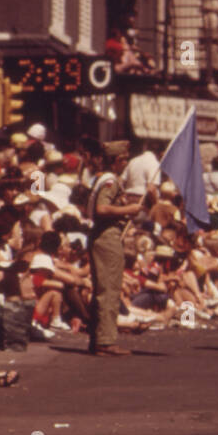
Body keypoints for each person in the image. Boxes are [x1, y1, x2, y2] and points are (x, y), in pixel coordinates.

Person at [84, 139, 142, 356]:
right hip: (106, 236)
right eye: (125, 159)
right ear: (117, 160)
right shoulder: (110, 181)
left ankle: (98, 337)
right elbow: (101, 208)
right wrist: (129, 209)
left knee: (104, 288)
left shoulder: (104, 179)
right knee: (109, 289)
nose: (126, 163)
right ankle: (105, 341)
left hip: (104, 235)